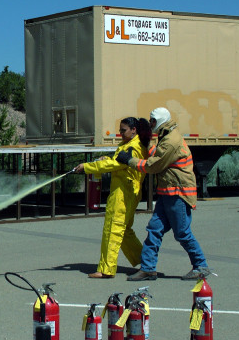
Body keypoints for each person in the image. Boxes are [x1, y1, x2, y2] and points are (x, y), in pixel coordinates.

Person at [116, 107, 210, 281]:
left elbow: (154, 165)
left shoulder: (171, 141)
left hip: (178, 194)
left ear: (159, 121)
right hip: (168, 192)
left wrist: (129, 160)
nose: (151, 124)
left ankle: (201, 265)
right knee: (154, 230)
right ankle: (148, 268)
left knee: (182, 233)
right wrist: (147, 142)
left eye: (152, 121)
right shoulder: (166, 137)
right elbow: (158, 156)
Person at [74, 117, 152, 278]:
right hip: (127, 191)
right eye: (120, 130)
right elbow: (118, 162)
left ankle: (106, 269)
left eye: (123, 130)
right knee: (124, 231)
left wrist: (87, 167)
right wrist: (106, 159)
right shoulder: (129, 144)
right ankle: (146, 263)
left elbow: (116, 165)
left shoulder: (133, 146)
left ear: (133, 130)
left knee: (112, 229)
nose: (121, 133)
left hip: (123, 193)